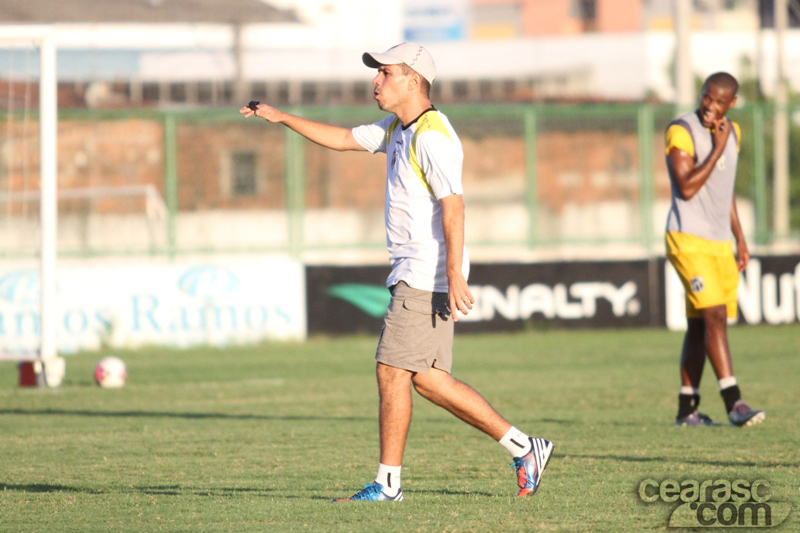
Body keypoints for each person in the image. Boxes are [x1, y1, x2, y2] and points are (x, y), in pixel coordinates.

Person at [240, 42, 554, 500]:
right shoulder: (398, 127)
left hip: (426, 275)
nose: (376, 81)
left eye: (385, 73)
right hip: (422, 272)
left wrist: (454, 274)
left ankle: (388, 485)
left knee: (391, 370)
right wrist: (282, 116)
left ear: (413, 80)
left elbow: (455, 209)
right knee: (426, 379)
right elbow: (345, 138)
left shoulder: (430, 136)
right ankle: (525, 447)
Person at [664, 72, 765, 427]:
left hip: (721, 241)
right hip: (688, 238)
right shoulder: (682, 131)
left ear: (731, 104)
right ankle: (734, 402)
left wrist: (740, 237)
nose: (710, 106)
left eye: (719, 101)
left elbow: (725, 191)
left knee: (699, 326)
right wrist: (718, 148)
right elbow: (687, 187)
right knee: (715, 315)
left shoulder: (733, 133)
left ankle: (687, 410)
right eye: (707, 97)